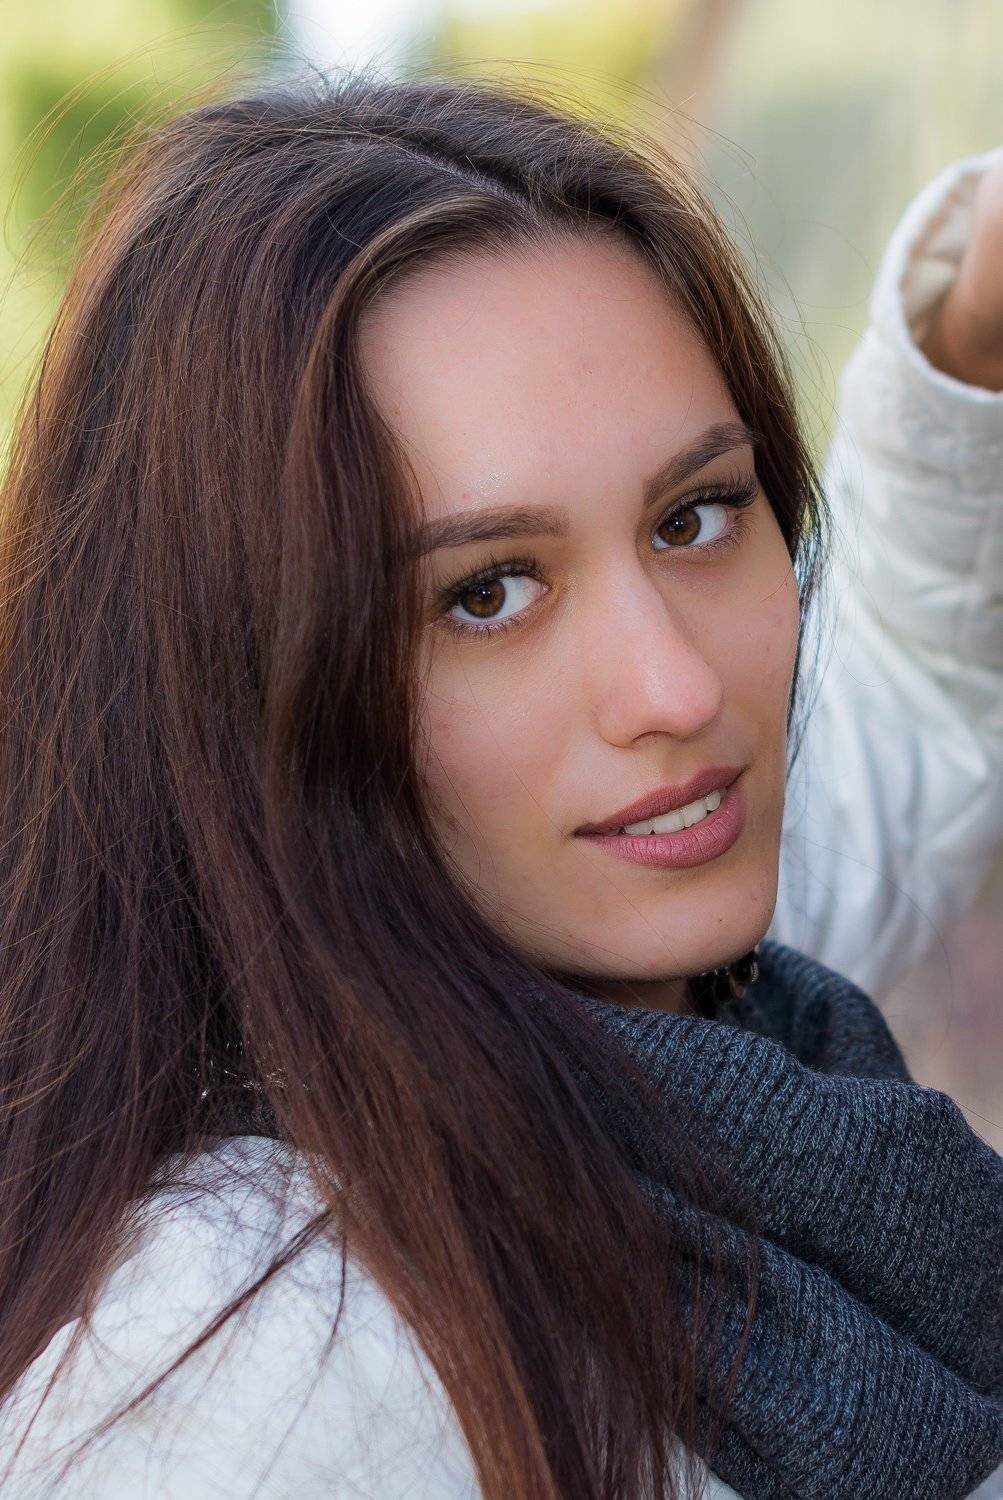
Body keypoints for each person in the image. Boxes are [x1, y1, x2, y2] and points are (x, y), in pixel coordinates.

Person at [0, 71, 999, 1500]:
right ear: (231, 686)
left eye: (695, 515)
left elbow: (897, 724)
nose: (677, 691)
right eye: (487, 593)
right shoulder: (245, 1389)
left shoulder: (663, 1028)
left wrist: (972, 333)